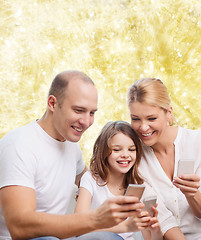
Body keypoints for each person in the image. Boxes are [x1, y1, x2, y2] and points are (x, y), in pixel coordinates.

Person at [0, 70, 144, 240]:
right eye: (78, 110)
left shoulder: (71, 146)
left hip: (58, 238)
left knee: (109, 237)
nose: (86, 122)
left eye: (91, 113)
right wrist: (96, 218)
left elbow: (90, 177)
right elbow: (19, 226)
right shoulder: (19, 145)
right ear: (52, 103)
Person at [127, 78, 201, 240]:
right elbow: (162, 218)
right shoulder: (134, 156)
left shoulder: (200, 142)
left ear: (169, 113)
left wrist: (192, 194)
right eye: (135, 119)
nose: (143, 127)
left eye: (151, 118)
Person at [75, 121, 163, 240]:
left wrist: (155, 230)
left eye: (131, 150)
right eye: (117, 150)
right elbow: (78, 227)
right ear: (104, 152)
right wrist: (125, 227)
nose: (126, 155)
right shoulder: (91, 179)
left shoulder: (140, 187)